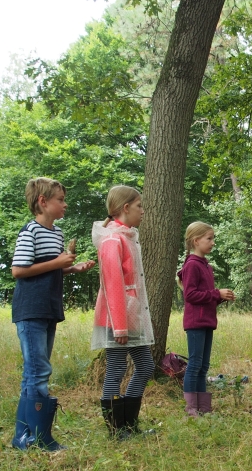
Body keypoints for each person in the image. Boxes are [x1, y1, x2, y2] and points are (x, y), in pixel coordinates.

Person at [10, 178, 95, 451]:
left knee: (32, 373)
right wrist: (58, 262)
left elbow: (50, 268)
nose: (64, 204)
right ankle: (39, 438)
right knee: (38, 371)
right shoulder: (30, 232)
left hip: (49, 309)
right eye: (59, 199)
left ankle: (23, 438)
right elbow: (19, 270)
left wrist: (72, 268)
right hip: (30, 309)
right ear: (42, 202)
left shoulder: (56, 233)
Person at [91, 186, 155, 439]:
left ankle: (129, 424)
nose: (142, 211)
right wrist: (119, 326)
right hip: (114, 319)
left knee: (146, 365)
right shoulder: (112, 239)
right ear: (125, 208)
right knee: (116, 371)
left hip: (131, 316)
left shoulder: (127, 237)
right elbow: (113, 285)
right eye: (139, 205)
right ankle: (116, 430)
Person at [176, 222, 235, 416]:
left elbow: (205, 296)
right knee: (194, 364)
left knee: (203, 366)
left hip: (207, 321)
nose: (213, 242)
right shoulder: (192, 264)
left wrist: (220, 297)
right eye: (209, 238)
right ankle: (191, 408)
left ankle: (203, 407)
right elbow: (190, 295)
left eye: (213, 238)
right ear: (196, 241)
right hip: (195, 323)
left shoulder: (206, 266)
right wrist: (216, 293)